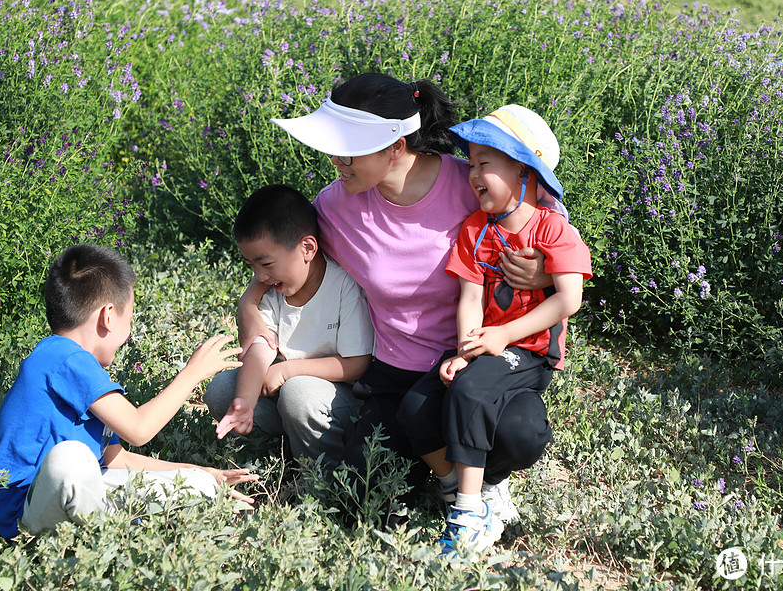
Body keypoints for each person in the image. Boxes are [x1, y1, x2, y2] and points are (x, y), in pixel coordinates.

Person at [240, 73, 550, 523]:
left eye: (348, 151)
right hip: (394, 377)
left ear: (396, 148)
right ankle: (445, 474)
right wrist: (251, 303)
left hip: (474, 360)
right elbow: (284, 254)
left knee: (520, 432)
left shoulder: (471, 185)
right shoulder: (335, 206)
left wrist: (541, 270)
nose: (335, 161)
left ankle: (488, 483)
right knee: (360, 498)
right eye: (333, 148)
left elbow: (549, 222)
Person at [397, 105, 592, 557]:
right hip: (483, 347)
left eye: (486, 162)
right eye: (472, 163)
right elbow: (468, 299)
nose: (474, 174)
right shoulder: (473, 231)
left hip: (528, 351)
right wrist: (464, 351)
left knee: (470, 392)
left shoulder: (554, 230)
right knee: (416, 408)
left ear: (524, 170)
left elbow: (569, 299)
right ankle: (461, 487)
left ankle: (467, 512)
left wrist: (503, 336)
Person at [0, 244, 256, 540]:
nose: (129, 332)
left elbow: (115, 458)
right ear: (108, 316)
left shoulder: (78, 365)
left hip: (80, 493)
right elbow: (138, 430)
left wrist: (204, 472)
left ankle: (113, 530)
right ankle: (111, 539)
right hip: (25, 513)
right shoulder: (62, 356)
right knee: (71, 459)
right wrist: (191, 374)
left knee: (198, 485)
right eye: (130, 319)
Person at [204, 184, 374, 463]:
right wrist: (245, 402)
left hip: (337, 402)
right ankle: (267, 462)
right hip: (285, 396)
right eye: (251, 267)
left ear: (307, 248)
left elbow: (356, 363)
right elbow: (261, 346)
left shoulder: (345, 285)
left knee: (298, 393)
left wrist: (287, 371)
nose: (259, 277)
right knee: (222, 390)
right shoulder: (272, 288)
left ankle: (320, 478)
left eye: (266, 264)